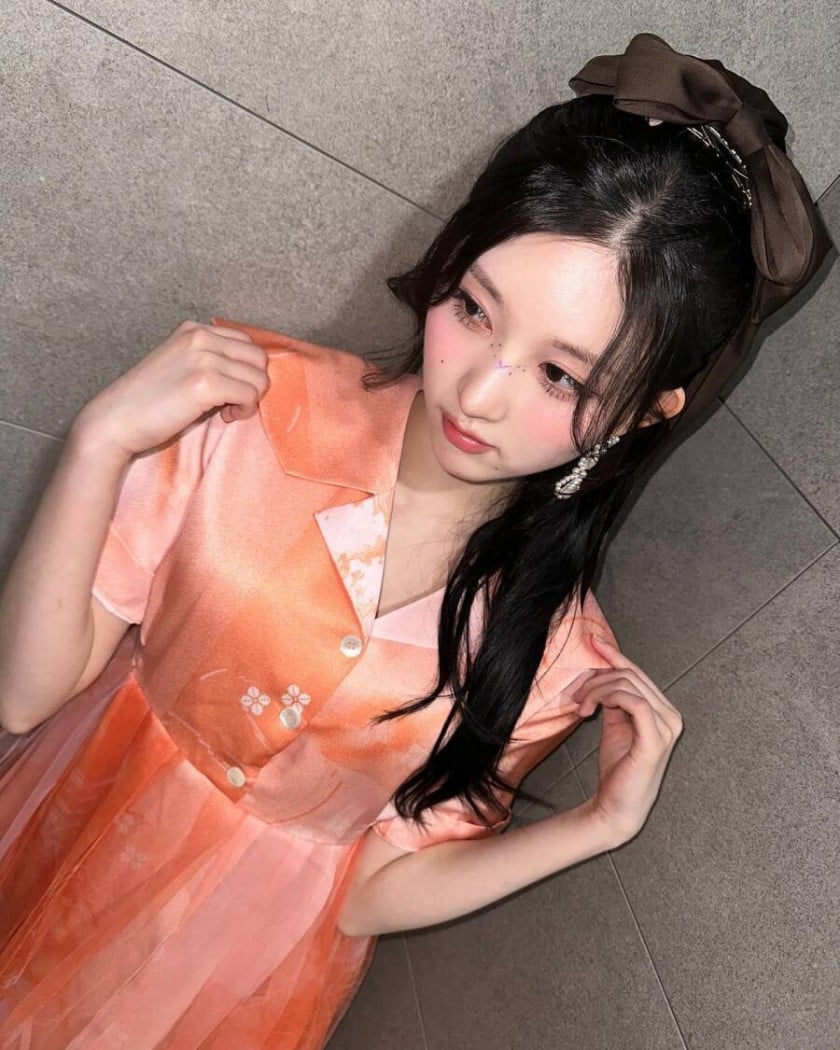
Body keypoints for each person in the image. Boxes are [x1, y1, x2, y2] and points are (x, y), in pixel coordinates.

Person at [0, 32, 829, 1050]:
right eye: (474, 309)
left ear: (645, 413)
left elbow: (367, 896)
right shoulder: (250, 407)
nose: (477, 393)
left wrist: (598, 825)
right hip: (70, 817)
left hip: (232, 969)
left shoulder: (556, 657)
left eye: (561, 376)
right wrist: (98, 443)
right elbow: (25, 695)